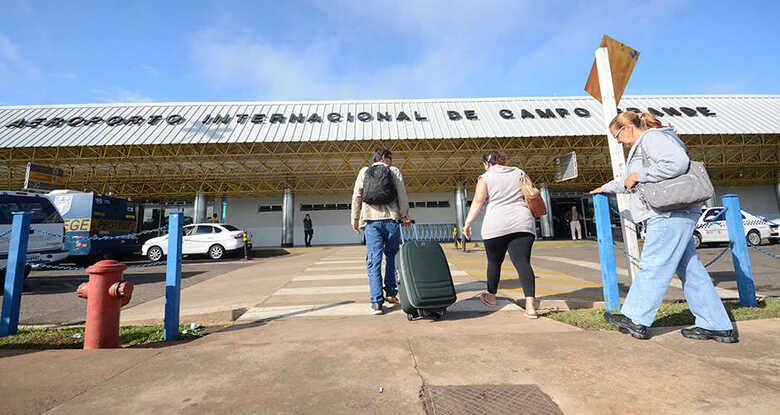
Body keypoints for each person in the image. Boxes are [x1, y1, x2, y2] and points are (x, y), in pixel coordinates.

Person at [591, 111, 737, 343]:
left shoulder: (652, 138)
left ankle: (636, 319)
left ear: (628, 127)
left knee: (653, 265)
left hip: (668, 213)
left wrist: (641, 174)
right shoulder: (645, 143)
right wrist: (606, 187)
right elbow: (633, 182)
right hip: (675, 213)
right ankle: (717, 325)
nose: (617, 141)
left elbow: (678, 163)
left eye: (616, 135)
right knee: (691, 271)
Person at [464, 151, 538, 319]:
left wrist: (468, 223)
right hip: (522, 223)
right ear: (503, 161)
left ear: (486, 164)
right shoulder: (519, 172)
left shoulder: (485, 177)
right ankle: (530, 306)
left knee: (494, 262)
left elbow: (477, 201)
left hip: (496, 225)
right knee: (523, 263)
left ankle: (491, 297)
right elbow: (531, 192)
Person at [351, 147, 411, 315]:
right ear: (384, 157)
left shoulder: (364, 171)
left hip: (371, 222)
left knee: (373, 260)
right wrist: (405, 215)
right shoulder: (394, 171)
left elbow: (357, 195)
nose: (391, 161)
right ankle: (391, 292)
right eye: (390, 158)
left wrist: (355, 219)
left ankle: (376, 302)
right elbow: (402, 194)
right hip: (392, 221)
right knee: (392, 256)